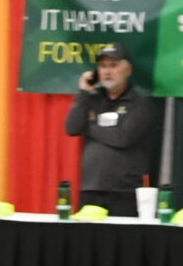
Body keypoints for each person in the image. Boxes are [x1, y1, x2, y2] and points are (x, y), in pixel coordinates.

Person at [67, 47, 163, 214]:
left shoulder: (141, 103)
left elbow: (123, 138)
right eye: (103, 66)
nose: (107, 71)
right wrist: (83, 92)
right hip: (91, 189)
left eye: (113, 65)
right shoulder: (92, 99)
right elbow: (73, 128)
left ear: (128, 70)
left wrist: (90, 125)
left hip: (125, 191)